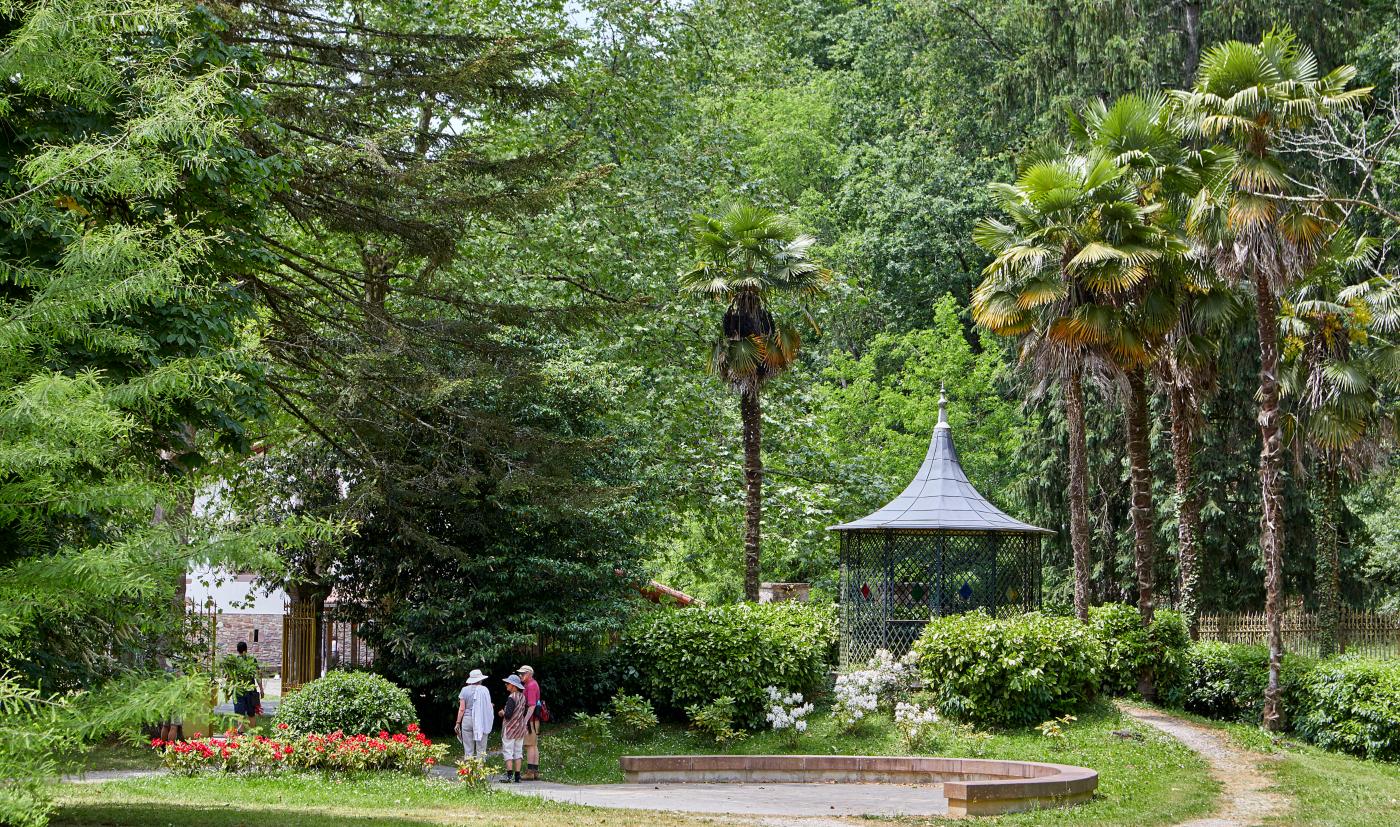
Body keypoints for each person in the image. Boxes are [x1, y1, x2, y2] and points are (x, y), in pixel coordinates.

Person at [498, 674, 531, 783]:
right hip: (520, 728)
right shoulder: (522, 697)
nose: (506, 685)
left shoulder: (511, 697)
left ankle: (509, 776)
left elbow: (508, 715)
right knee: (518, 752)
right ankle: (517, 776)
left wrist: (502, 712)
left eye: (507, 683)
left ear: (513, 685)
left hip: (510, 729)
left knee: (508, 751)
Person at [455, 669, 492, 759]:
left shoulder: (464, 690)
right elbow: (488, 706)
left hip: (467, 720)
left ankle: (468, 771)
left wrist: (458, 722)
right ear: (480, 679)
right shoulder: (484, 690)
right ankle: (479, 771)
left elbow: (462, 708)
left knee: (468, 749)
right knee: (481, 749)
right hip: (481, 720)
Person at [228, 641, 264, 732]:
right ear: (246, 650)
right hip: (251, 691)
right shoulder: (252, 660)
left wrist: (228, 690)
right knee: (251, 714)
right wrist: (261, 689)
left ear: (237, 650)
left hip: (238, 691)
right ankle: (253, 734)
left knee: (240, 715)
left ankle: (241, 734)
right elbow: (258, 675)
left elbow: (229, 677)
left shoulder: (233, 661)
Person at [517, 664, 542, 780]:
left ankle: (530, 773)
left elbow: (531, 706)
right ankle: (535, 771)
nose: (520, 675)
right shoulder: (531, 684)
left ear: (529, 674)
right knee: (534, 745)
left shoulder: (531, 685)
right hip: (534, 720)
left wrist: (524, 721)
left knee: (530, 746)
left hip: (530, 721)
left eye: (522, 674)